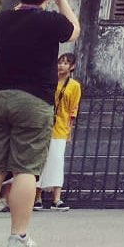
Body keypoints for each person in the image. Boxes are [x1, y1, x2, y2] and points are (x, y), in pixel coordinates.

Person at [0, 0, 79, 247]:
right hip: (33, 100)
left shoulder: (2, 20)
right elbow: (74, 30)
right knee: (25, 170)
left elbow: (16, 15)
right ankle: (18, 237)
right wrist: (62, 0)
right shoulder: (48, 20)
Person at [35, 53, 82, 211]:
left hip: (60, 126)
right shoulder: (50, 80)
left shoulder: (74, 86)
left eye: (66, 63)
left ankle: (57, 198)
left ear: (72, 67)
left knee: (56, 161)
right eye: (60, 62)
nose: (61, 65)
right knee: (41, 161)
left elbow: (73, 109)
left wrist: (69, 129)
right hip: (44, 124)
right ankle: (37, 197)